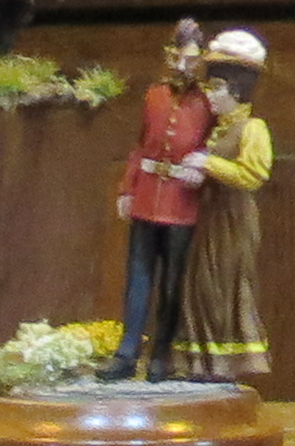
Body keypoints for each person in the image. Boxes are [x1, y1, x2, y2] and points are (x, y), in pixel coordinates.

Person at [100, 22, 215, 383]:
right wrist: (127, 188)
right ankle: (127, 352)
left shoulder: (207, 102)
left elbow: (214, 143)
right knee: (138, 277)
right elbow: (141, 144)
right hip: (148, 196)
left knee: (171, 282)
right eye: (178, 58)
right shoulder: (155, 94)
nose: (183, 66)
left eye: (191, 60)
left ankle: (161, 355)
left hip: (181, 201)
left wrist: (205, 165)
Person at [162, 32, 277, 384]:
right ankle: (198, 362)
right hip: (207, 219)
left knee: (223, 285)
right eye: (209, 88)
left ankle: (226, 361)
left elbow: (253, 175)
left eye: (217, 89)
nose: (210, 96)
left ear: (237, 90)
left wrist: (209, 164)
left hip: (232, 220)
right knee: (199, 284)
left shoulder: (252, 129)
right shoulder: (215, 129)